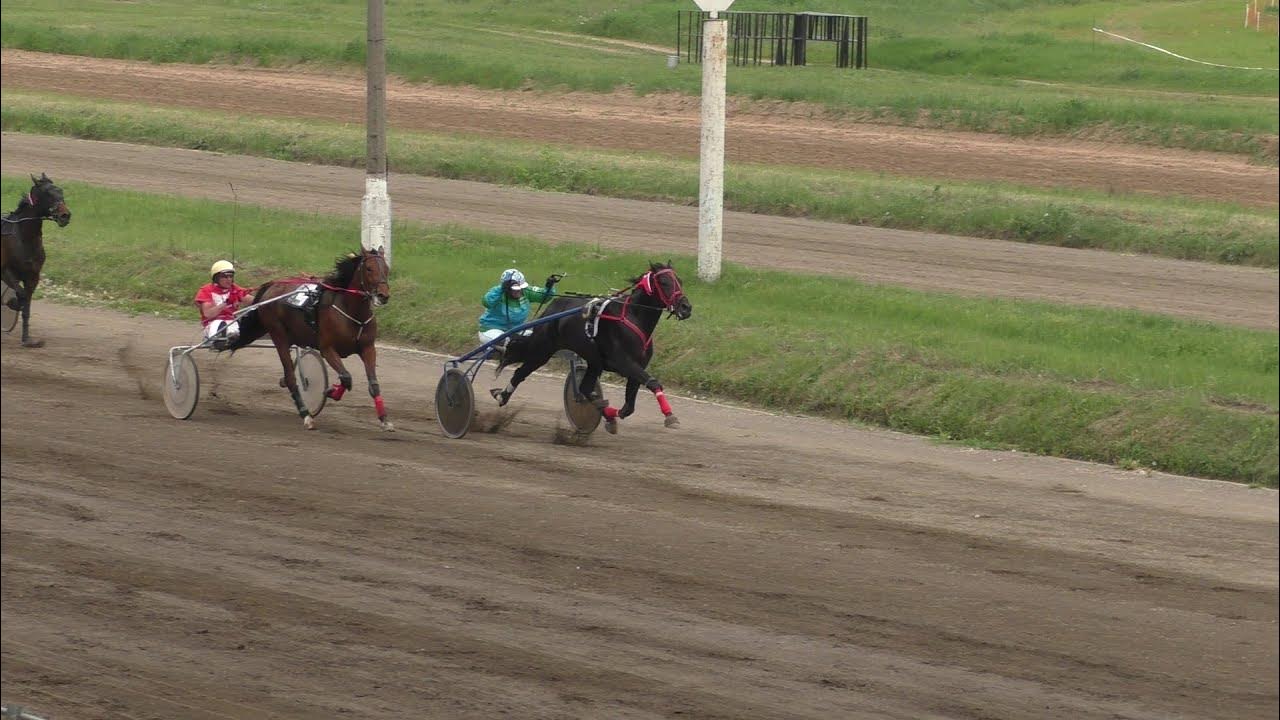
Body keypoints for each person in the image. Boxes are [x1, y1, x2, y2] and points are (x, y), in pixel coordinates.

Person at [477, 268, 560, 352]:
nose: (519, 290)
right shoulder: (497, 292)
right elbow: (486, 302)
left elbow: (544, 297)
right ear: (507, 288)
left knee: (538, 339)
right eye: (515, 289)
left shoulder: (525, 291)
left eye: (521, 287)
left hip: (516, 331)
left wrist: (549, 286)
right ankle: (490, 347)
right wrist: (501, 289)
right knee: (507, 342)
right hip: (491, 330)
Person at [194, 260, 256, 348]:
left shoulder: (235, 289)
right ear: (216, 278)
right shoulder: (206, 290)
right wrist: (226, 303)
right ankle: (217, 339)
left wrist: (261, 293)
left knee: (251, 315)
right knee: (219, 324)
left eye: (231, 276)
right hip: (212, 324)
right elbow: (208, 314)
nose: (229, 279)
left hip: (232, 322)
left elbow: (254, 302)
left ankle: (231, 337)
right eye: (224, 276)